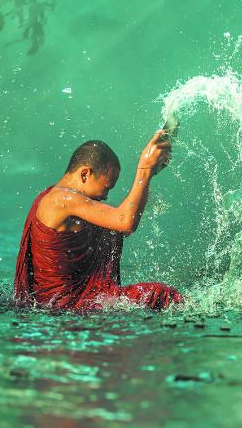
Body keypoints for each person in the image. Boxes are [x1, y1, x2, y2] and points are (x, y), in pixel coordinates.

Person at [13, 131, 183, 311]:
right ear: (85, 174)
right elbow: (125, 222)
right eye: (106, 188)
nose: (105, 196)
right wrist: (144, 170)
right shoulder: (61, 200)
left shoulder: (59, 198)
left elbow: (120, 224)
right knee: (161, 294)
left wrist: (151, 174)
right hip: (67, 304)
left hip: (59, 303)